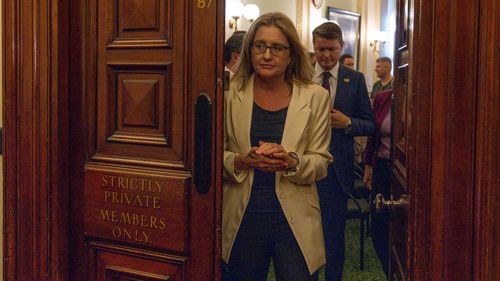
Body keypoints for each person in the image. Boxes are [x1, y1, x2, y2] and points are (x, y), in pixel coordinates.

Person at [223, 12, 333, 281]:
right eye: (259, 46)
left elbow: (321, 161)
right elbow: (211, 154)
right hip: (243, 215)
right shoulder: (228, 91)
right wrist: (240, 160)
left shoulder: (316, 96)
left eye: (276, 48)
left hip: (295, 218)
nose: (267, 55)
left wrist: (292, 161)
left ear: (291, 54)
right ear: (249, 51)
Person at [312, 22, 375, 281]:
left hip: (338, 173)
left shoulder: (355, 80)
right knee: (305, 237)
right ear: (313, 48)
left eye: (332, 50)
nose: (326, 56)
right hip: (304, 170)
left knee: (334, 238)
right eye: (321, 49)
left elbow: (370, 124)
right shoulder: (300, 77)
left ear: (341, 47)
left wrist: (347, 123)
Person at [363, 89, 393, 277]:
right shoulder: (384, 97)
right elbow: (373, 135)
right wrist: (368, 166)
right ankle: (390, 271)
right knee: (379, 227)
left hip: (408, 172)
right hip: (382, 167)